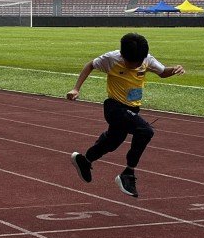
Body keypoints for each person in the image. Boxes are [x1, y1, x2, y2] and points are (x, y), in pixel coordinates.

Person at [66, 31, 185, 198]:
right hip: (115, 108)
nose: (136, 66)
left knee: (112, 142)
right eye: (131, 63)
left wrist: (174, 69)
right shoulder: (111, 59)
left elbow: (163, 72)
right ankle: (128, 173)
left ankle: (84, 160)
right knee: (145, 131)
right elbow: (90, 65)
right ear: (122, 55)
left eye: (139, 63)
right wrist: (76, 88)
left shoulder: (146, 59)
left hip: (132, 109)